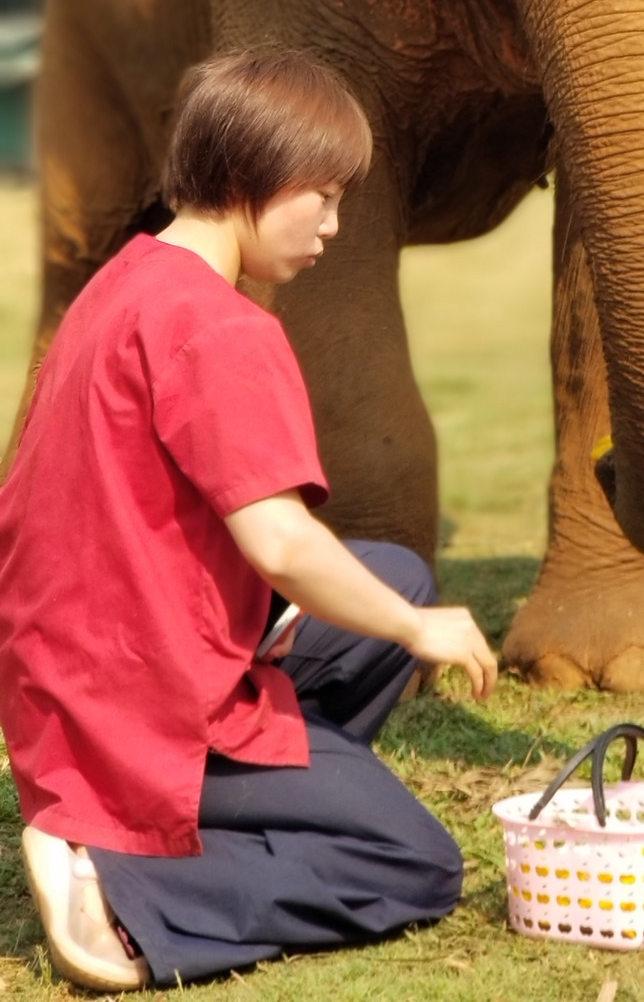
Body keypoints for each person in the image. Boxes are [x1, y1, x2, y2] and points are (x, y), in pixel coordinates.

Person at [0, 49, 497, 992]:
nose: (334, 227)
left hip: (65, 669)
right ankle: (127, 885)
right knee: (416, 861)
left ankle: (279, 790)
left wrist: (379, 610)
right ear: (253, 179)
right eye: (324, 197)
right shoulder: (225, 330)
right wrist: (416, 631)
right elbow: (278, 542)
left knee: (397, 570)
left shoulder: (128, 281)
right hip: (140, 709)